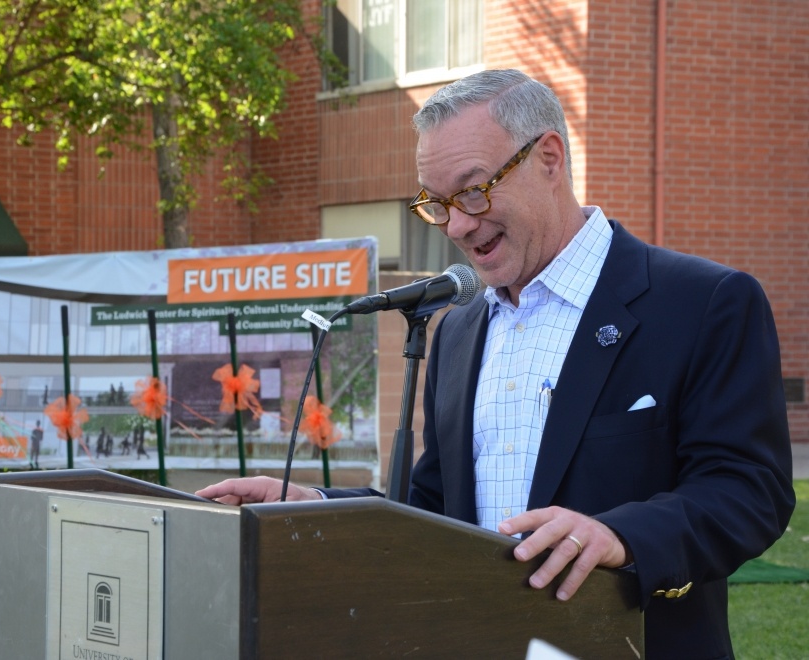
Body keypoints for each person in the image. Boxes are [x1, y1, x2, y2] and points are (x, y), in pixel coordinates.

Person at [195, 69, 795, 658]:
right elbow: (433, 506)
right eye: (437, 203)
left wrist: (622, 536)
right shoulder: (457, 329)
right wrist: (323, 509)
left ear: (550, 158)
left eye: (474, 190)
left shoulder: (702, 302)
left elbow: (750, 489)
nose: (456, 224)